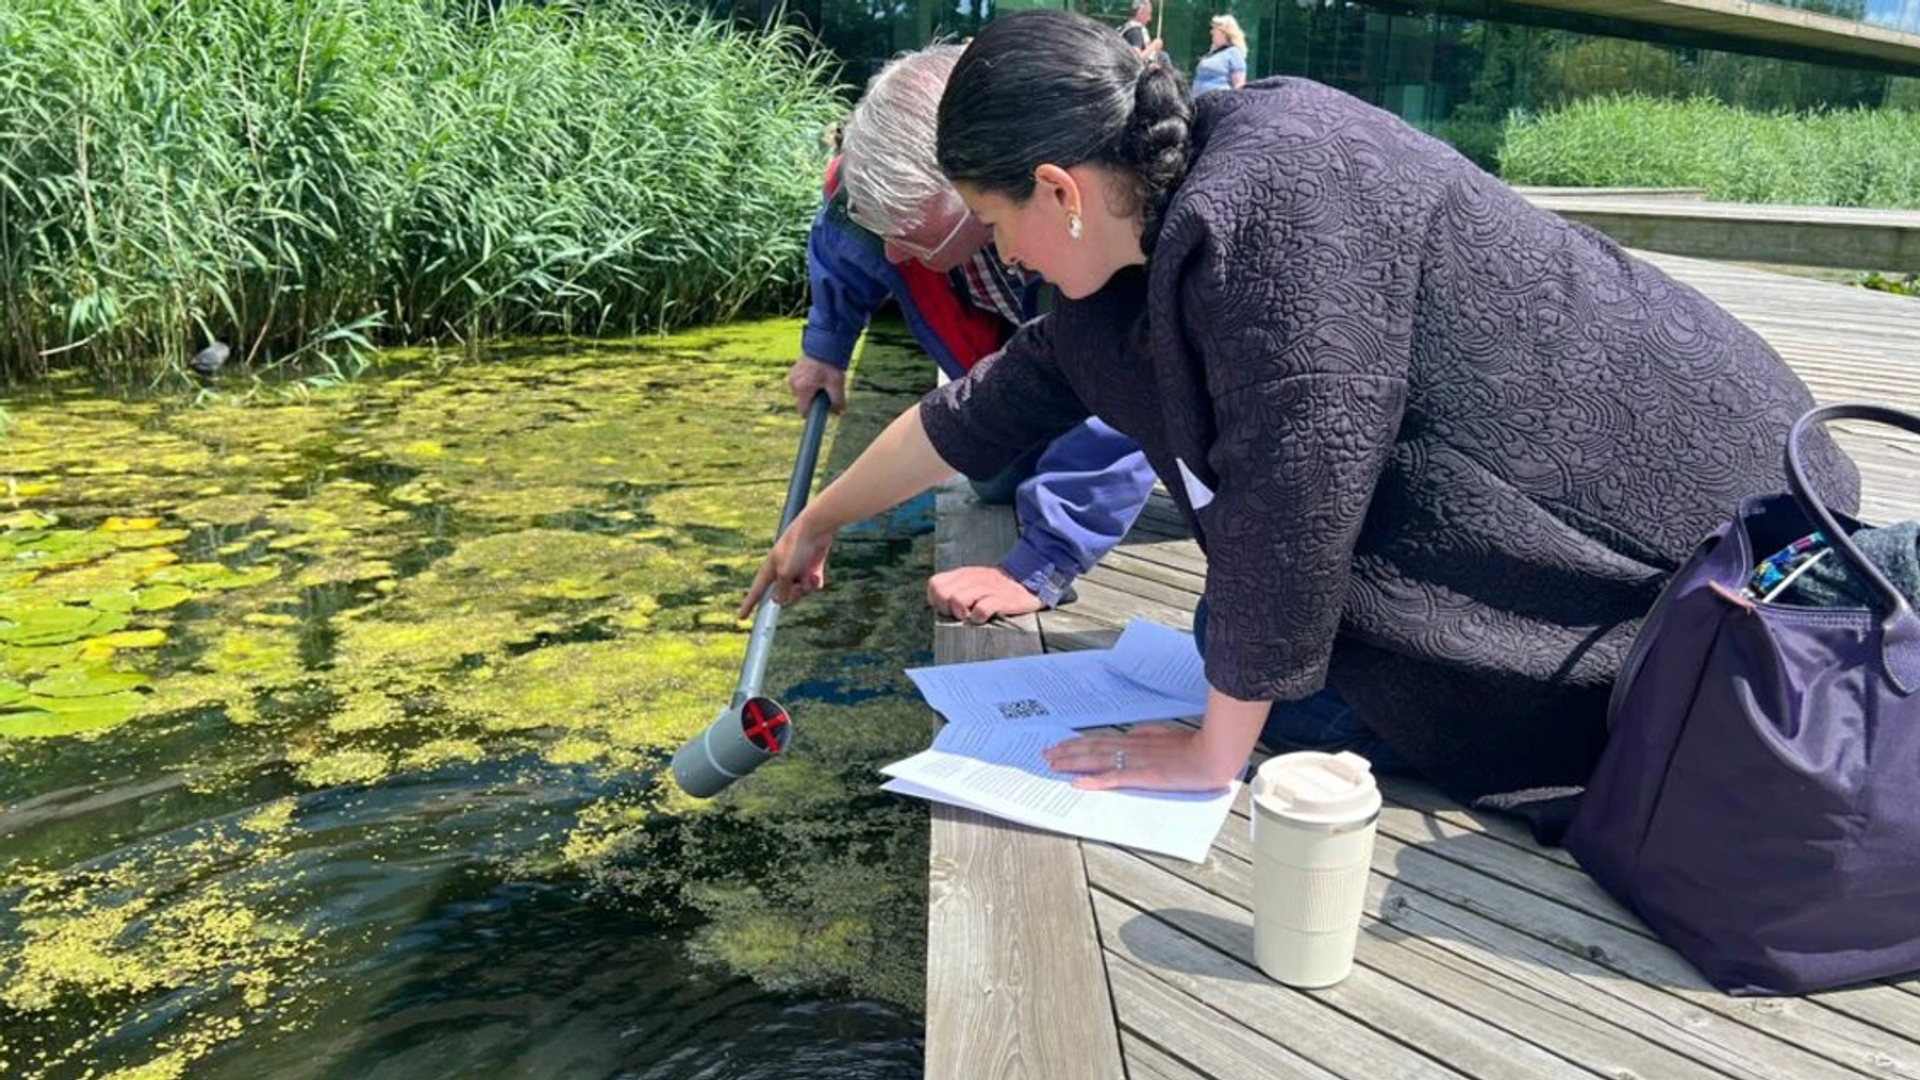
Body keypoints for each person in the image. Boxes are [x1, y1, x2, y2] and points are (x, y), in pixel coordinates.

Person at [743, 12, 1861, 829]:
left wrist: (1208, 756)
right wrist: (817, 524)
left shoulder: (1280, 190)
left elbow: (1298, 488)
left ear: (1059, 189)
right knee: (1253, 669)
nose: (1001, 259)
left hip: (1707, 525)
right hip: (1548, 495)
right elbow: (981, 413)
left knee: (1294, 714)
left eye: (994, 226)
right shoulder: (1111, 272)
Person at [788, 45, 1157, 620]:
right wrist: (825, 348)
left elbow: (1128, 382)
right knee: (995, 481)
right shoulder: (872, 186)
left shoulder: (1085, 226)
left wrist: (1044, 559)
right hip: (1016, 350)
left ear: (971, 187)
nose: (891, 254)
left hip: (1184, 412)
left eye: (909, 236)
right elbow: (847, 250)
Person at [1192, 14, 1247, 97]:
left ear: (1224, 32)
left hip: (1219, 103)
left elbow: (1239, 85)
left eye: (1214, 29)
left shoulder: (1234, 53)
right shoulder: (1212, 53)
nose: (1211, 32)